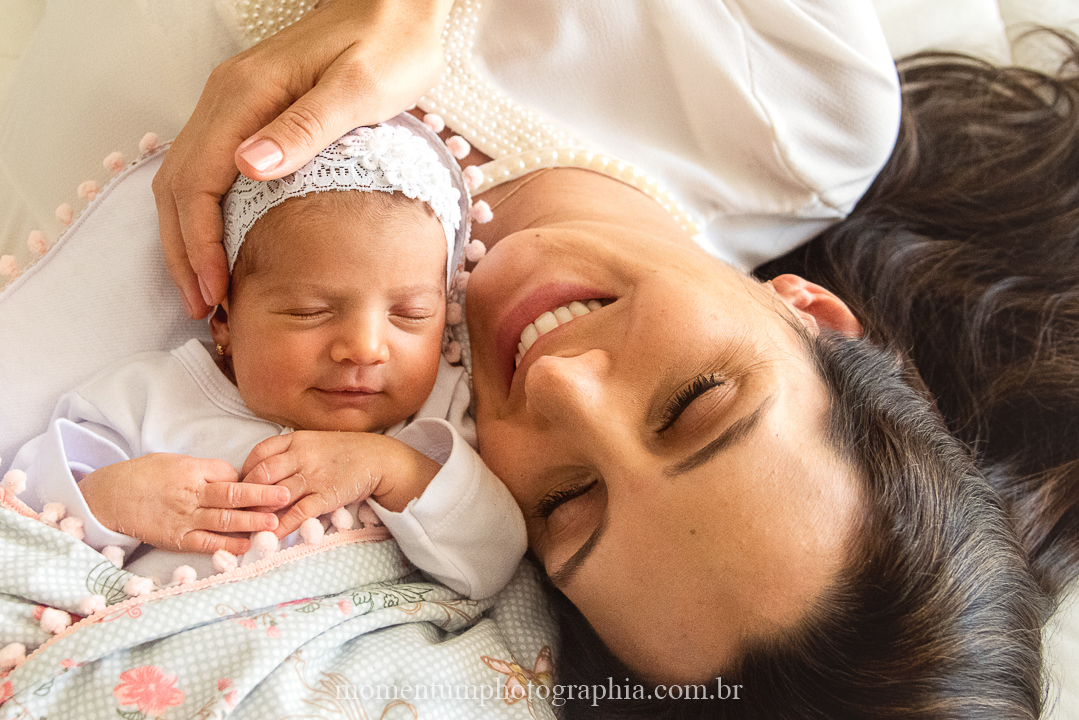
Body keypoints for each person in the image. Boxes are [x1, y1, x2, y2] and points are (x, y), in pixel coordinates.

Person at [9, 115, 525, 597]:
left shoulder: (440, 416)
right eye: (309, 311)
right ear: (224, 321)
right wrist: (110, 499)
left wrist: (392, 469)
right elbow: (22, 515)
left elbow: (496, 560)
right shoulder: (149, 397)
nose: (366, 348)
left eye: (411, 314)